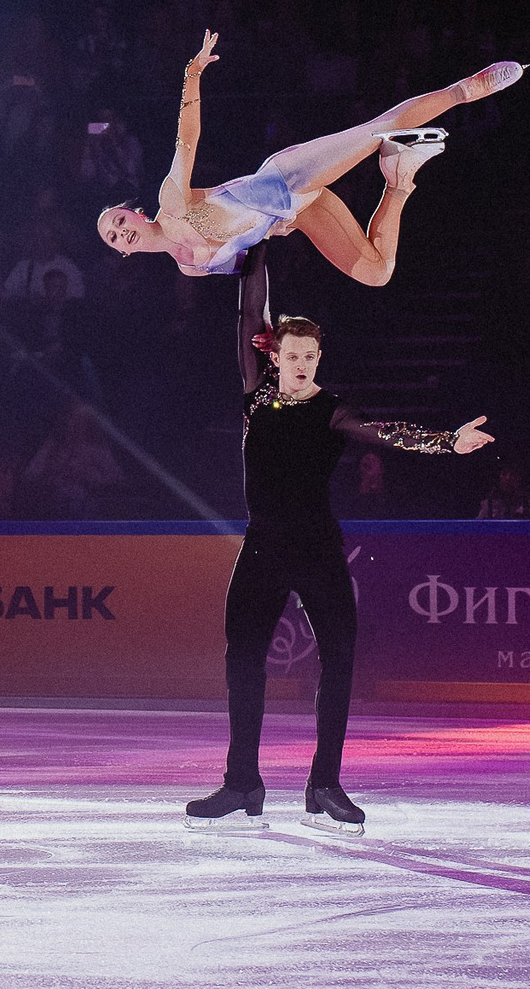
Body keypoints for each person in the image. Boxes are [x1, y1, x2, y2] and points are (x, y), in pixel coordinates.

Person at [184, 244, 493, 837]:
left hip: (318, 548)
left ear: (320, 359)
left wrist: (446, 442)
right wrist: (259, 242)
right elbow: (250, 313)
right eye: (292, 353)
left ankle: (324, 783)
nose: (301, 363)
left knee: (340, 657)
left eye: (310, 355)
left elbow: (386, 433)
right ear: (275, 356)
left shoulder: (330, 412)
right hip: (262, 547)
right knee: (242, 658)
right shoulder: (256, 398)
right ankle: (242, 781)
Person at [98, 31, 526, 284]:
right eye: (114, 237)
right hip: (298, 213)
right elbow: (251, 267)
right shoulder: (189, 269)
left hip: (286, 179)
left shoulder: (171, 204)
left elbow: (185, 139)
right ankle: (398, 180)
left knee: (376, 129)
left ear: (135, 213)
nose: (121, 232)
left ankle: (467, 88)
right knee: (377, 274)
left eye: (119, 221)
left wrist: (192, 76)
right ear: (123, 254)